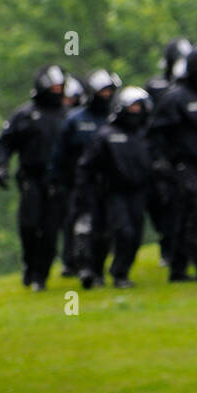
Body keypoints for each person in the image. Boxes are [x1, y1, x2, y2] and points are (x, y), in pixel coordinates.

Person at [148, 45, 197, 282]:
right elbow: (156, 134)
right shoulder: (175, 98)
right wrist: (162, 162)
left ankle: (178, 267)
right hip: (184, 165)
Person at [0, 63, 68, 291]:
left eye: (60, 86)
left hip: (57, 182)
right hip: (31, 179)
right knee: (29, 225)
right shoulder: (24, 114)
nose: (57, 90)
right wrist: (1, 167)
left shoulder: (67, 116)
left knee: (50, 230)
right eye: (53, 86)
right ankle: (29, 264)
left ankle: (40, 276)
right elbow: (5, 143)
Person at [71, 86, 153, 289]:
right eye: (133, 107)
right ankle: (101, 272)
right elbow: (86, 166)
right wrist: (84, 194)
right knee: (120, 232)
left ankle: (121, 272)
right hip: (111, 194)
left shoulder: (142, 135)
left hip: (138, 193)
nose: (136, 111)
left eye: (139, 107)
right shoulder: (105, 135)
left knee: (135, 234)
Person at [51, 68, 121, 278]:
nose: (106, 96)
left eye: (109, 92)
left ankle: (97, 267)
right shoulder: (75, 120)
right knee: (82, 224)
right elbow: (60, 153)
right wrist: (56, 180)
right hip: (80, 182)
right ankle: (81, 265)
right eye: (102, 92)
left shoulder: (114, 117)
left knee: (107, 227)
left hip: (111, 183)